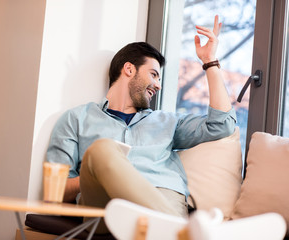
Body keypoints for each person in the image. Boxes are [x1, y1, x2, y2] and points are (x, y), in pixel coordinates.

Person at [46, 15, 236, 232]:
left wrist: (210, 62)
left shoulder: (168, 122)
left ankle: (174, 230)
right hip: (104, 207)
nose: (158, 85)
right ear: (129, 69)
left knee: (105, 153)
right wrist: (100, 171)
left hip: (163, 198)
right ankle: (185, 233)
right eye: (154, 75)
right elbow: (56, 191)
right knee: (101, 150)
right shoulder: (77, 118)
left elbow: (222, 125)